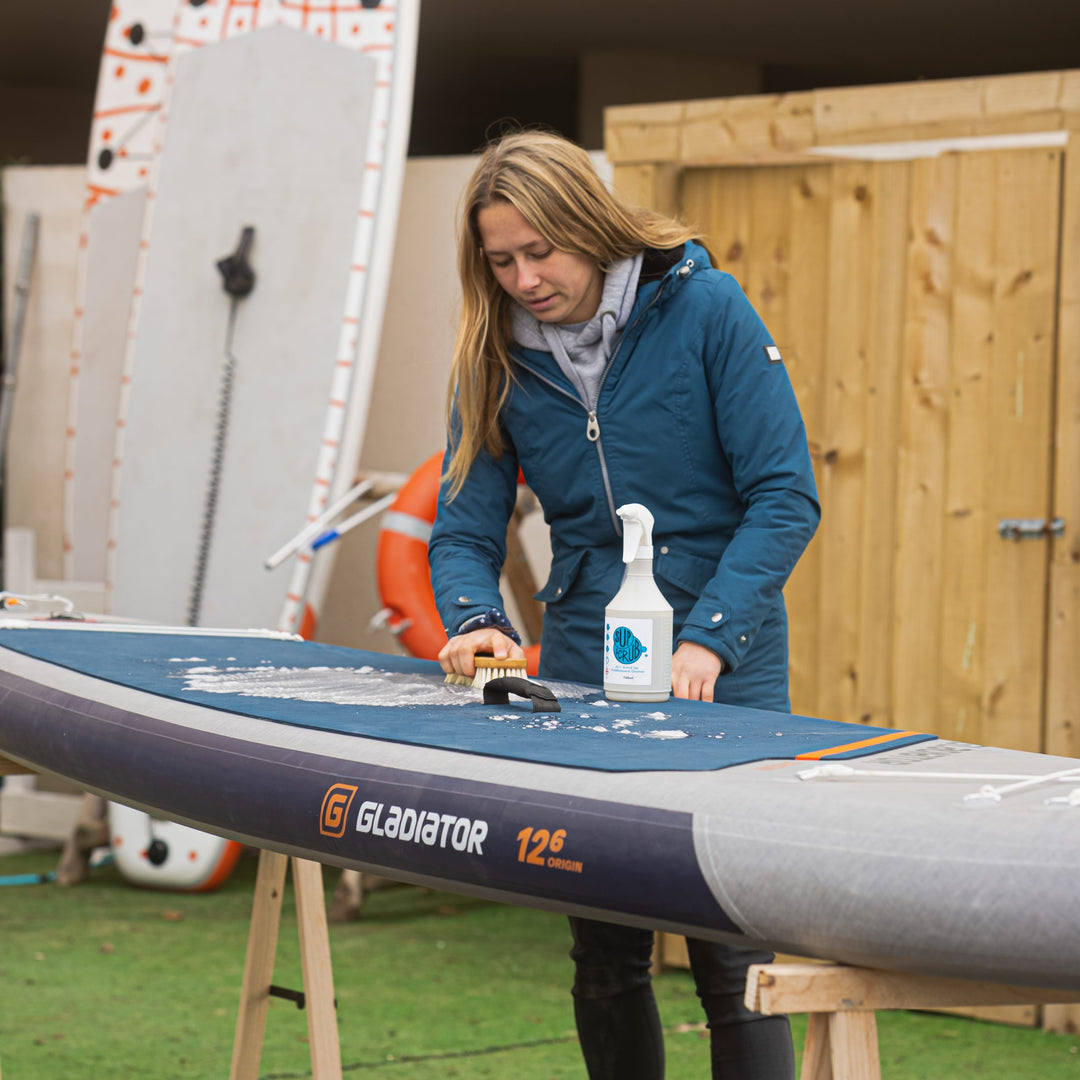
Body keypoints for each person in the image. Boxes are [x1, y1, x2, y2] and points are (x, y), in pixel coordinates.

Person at [428, 128, 820, 1080]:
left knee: (734, 954)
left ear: (590, 226)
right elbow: (465, 530)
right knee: (605, 951)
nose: (524, 280)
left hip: (723, 665)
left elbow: (784, 495)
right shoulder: (493, 354)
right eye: (501, 261)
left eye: (540, 251)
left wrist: (711, 639)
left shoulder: (706, 308)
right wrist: (477, 619)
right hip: (584, 662)